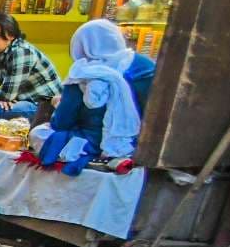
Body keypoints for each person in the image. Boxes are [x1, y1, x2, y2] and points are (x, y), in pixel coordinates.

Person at [27, 18, 143, 175]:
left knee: (38, 133)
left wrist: (58, 105)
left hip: (89, 141)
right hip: (126, 142)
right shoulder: (133, 67)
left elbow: (61, 122)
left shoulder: (81, 74)